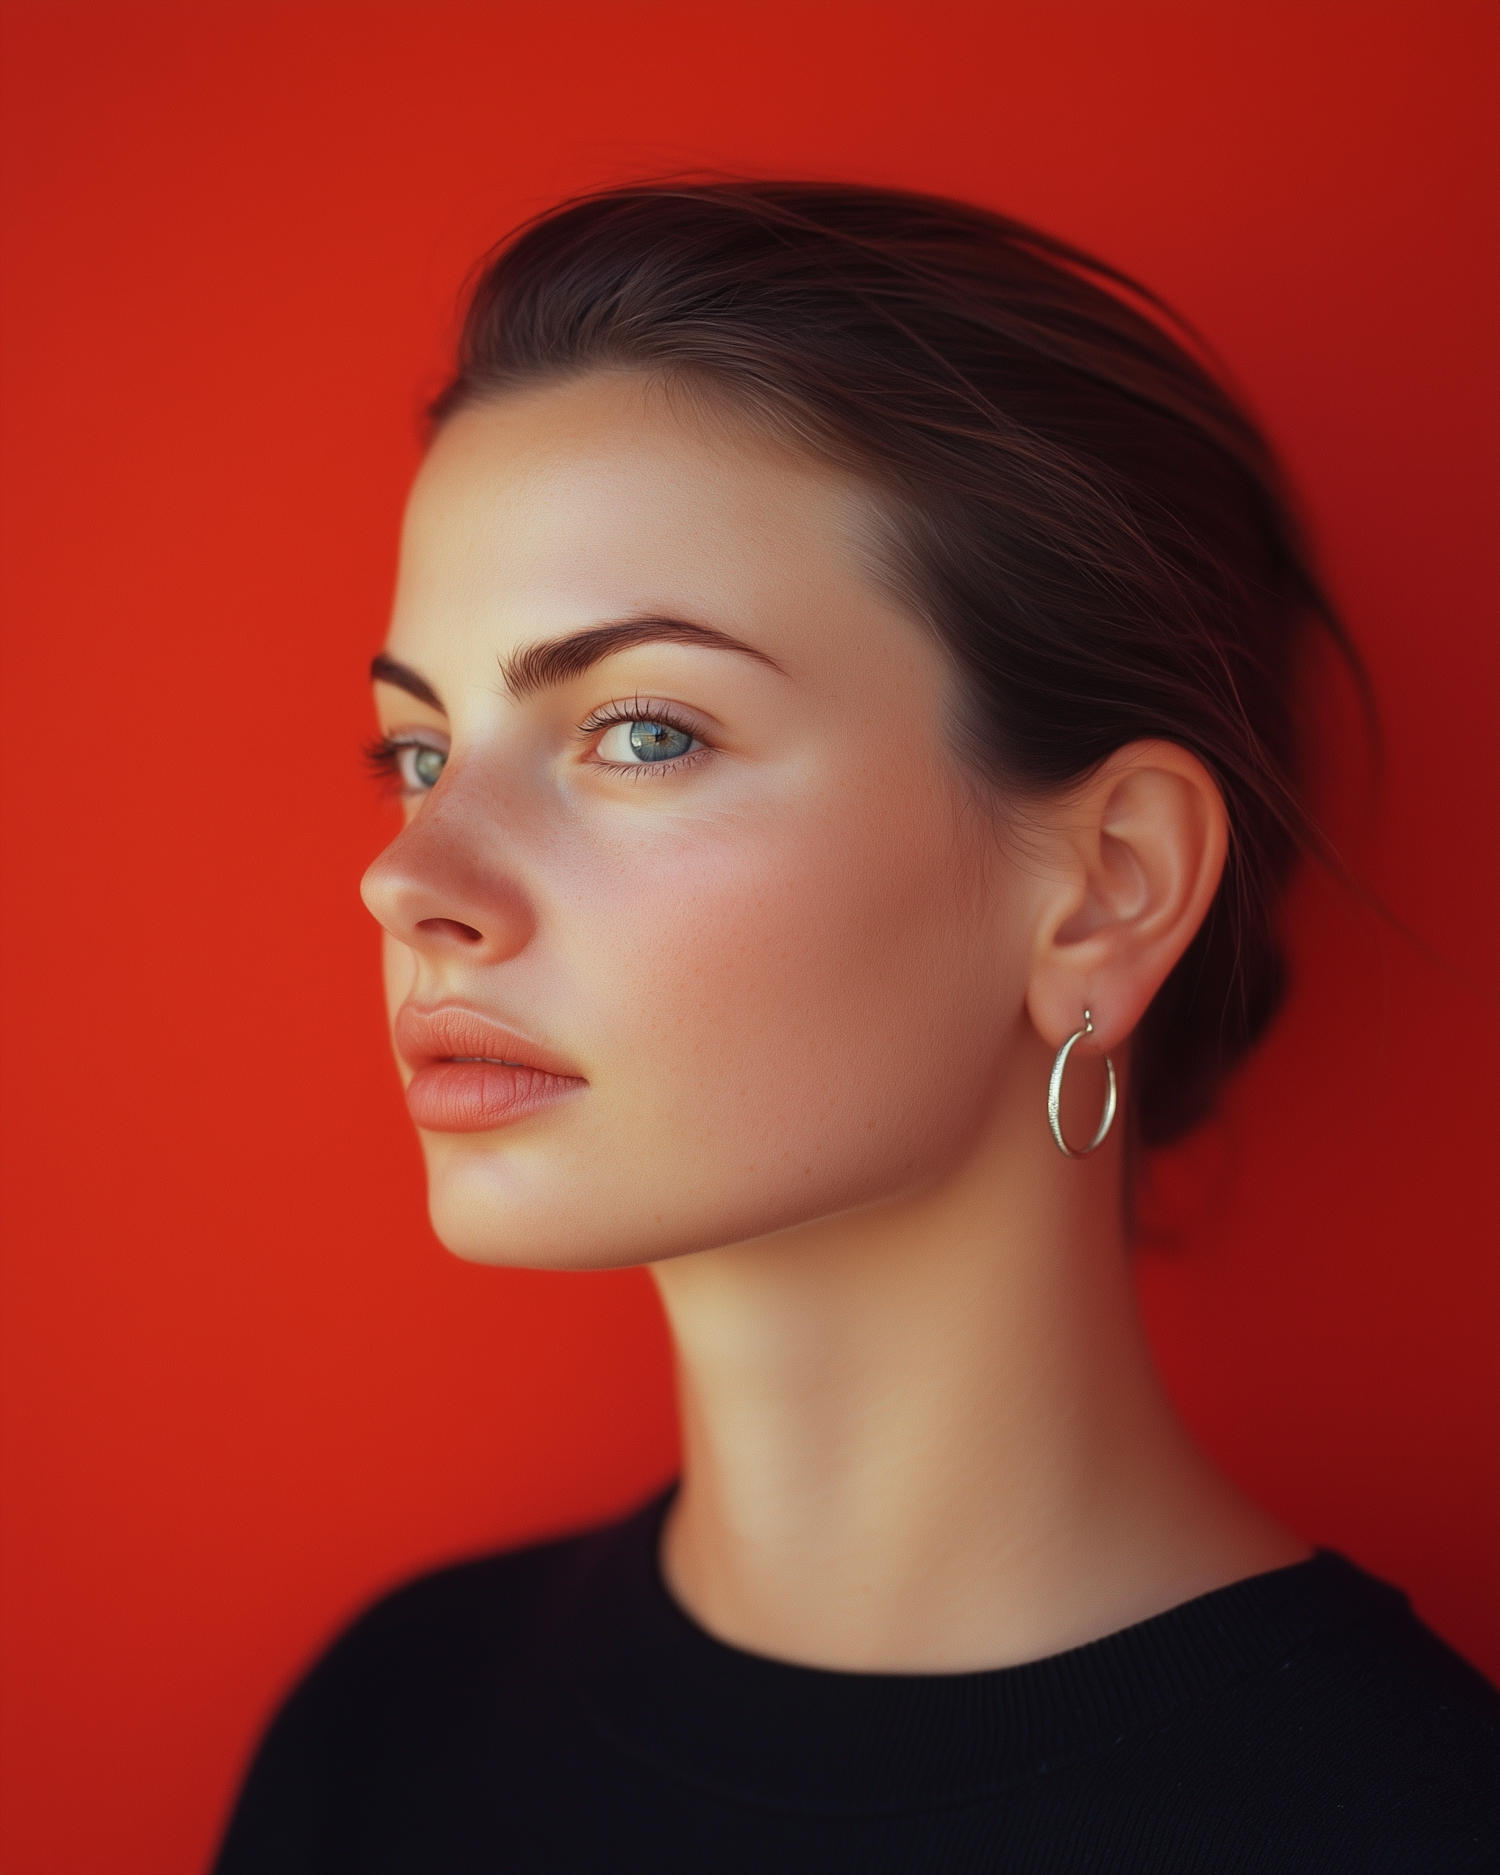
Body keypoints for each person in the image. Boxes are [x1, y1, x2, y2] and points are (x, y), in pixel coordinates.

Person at [213, 181, 1498, 1872]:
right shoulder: (387, 1735)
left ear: (1107, 888)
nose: (411, 879)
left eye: (644, 731)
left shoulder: (1409, 1822)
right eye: (420, 751)